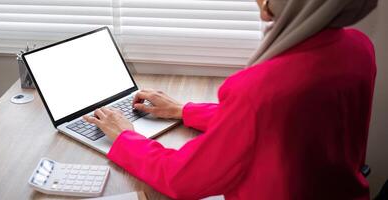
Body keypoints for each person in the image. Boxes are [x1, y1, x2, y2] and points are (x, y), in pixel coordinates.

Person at [83, 0, 378, 199]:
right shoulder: (358, 48)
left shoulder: (262, 88)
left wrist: (126, 137)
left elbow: (183, 179)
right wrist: (184, 110)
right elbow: (277, 121)